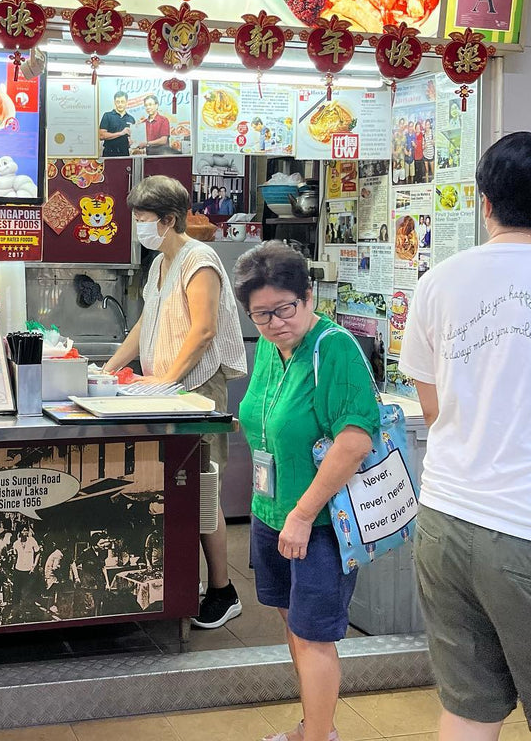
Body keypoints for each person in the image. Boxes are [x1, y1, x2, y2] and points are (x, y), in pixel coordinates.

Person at [399, 133, 531, 741]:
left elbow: (432, 408)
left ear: (484, 201)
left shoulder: (438, 281)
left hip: (447, 519)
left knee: (469, 706)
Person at [233, 241, 379, 741]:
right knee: (295, 630)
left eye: (285, 309)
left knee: (315, 638)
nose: (275, 323)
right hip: (269, 510)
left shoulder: (332, 347)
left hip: (316, 524)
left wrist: (300, 514)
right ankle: (313, 727)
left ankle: (319, 736)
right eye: (261, 315)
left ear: (310, 295)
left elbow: (355, 438)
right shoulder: (275, 351)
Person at [105, 175, 247, 629]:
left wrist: (166, 380)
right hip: (166, 391)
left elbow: (203, 330)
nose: (139, 228)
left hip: (195, 394)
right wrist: (108, 369)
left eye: (144, 220)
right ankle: (185, 584)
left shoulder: (199, 260)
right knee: (178, 492)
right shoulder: (160, 265)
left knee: (203, 493)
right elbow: (147, 323)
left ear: (169, 220)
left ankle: (223, 591)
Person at [10, 526, 42, 609]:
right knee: (16, 591)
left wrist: (34, 566)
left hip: (29, 570)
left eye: (27, 530)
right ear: (20, 532)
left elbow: (38, 553)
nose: (25, 532)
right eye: (24, 530)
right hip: (18, 569)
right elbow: (15, 556)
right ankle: (15, 611)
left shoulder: (32, 541)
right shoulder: (16, 543)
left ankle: (27, 610)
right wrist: (13, 567)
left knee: (27, 591)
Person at [99, 90, 135, 158]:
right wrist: (121, 133)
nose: (120, 104)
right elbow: (101, 136)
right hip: (109, 153)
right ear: (114, 102)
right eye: (118, 102)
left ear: (127, 102)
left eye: (122, 102)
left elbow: (131, 138)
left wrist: (131, 142)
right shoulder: (107, 116)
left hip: (125, 154)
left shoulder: (131, 118)